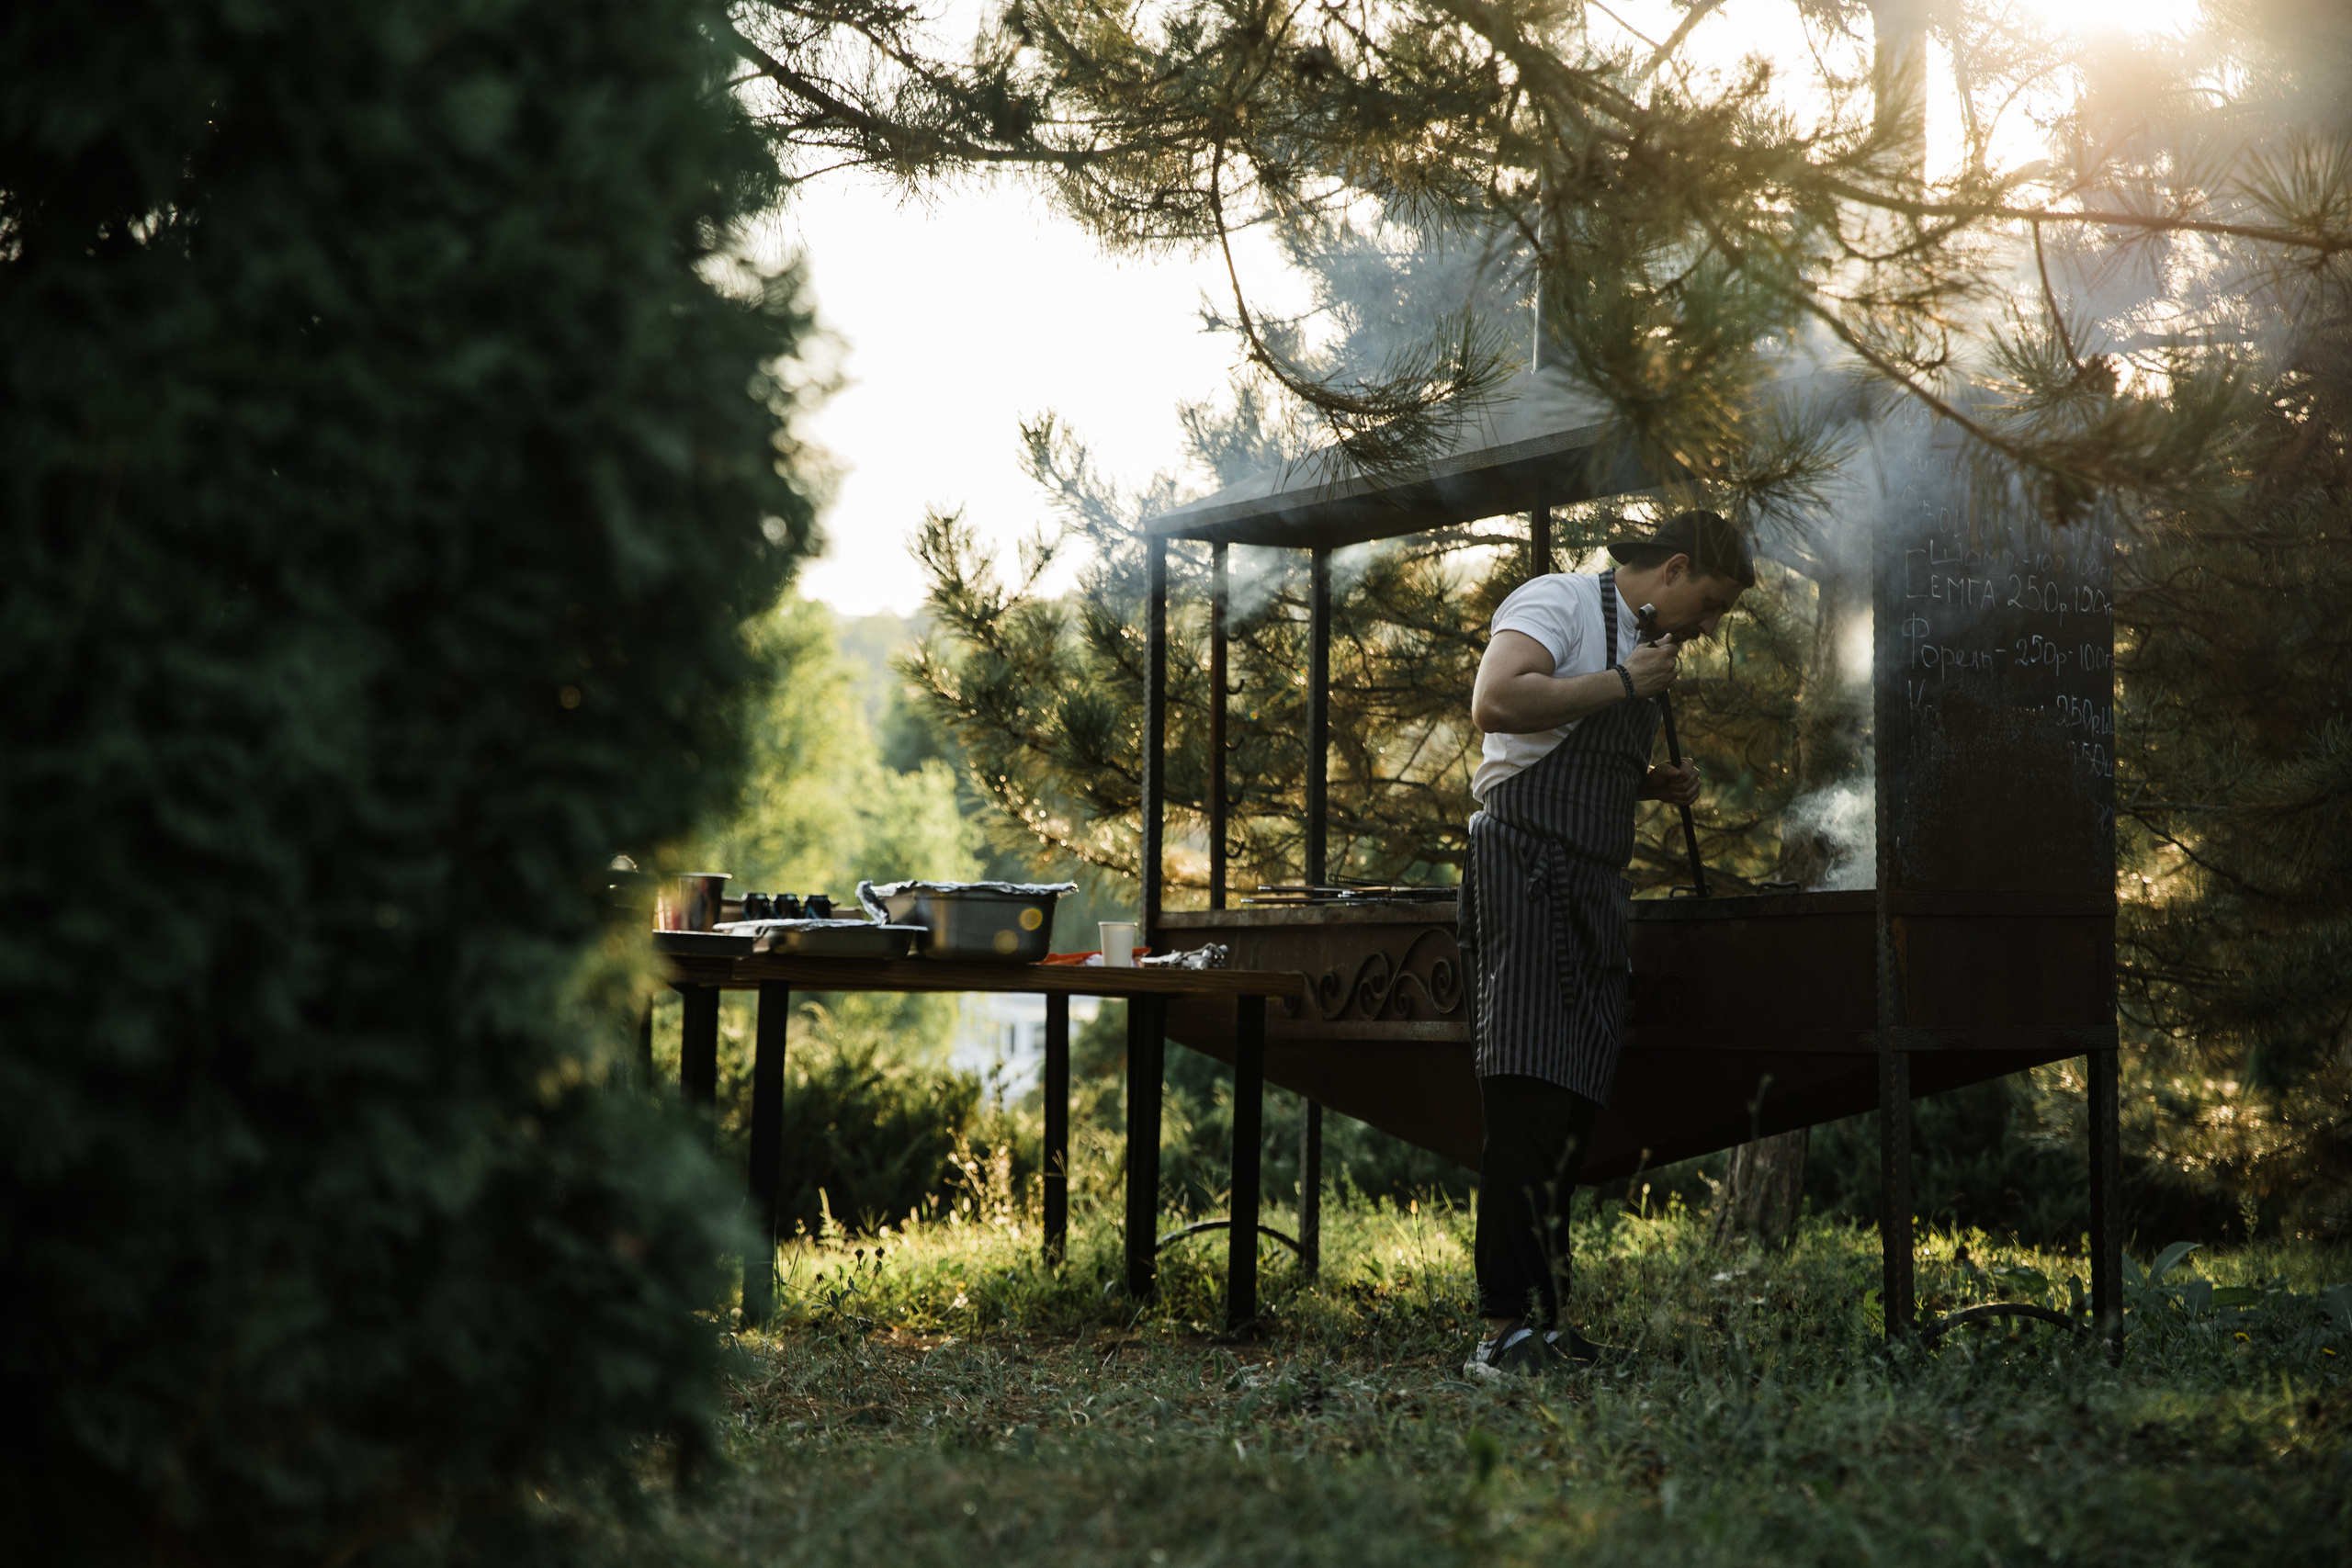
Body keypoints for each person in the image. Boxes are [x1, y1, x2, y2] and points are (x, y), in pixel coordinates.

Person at [1459, 510, 1755, 1378]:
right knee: (1526, 1097)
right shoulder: (1560, 602)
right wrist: (1625, 685)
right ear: (1672, 568)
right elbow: (1498, 701)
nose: (1707, 626)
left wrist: (1647, 780)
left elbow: (1569, 741)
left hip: (1592, 884)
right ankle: (1499, 1331)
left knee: (1573, 1106)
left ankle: (1544, 1323)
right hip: (1522, 869)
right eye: (1708, 602)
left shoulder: (1645, 640)